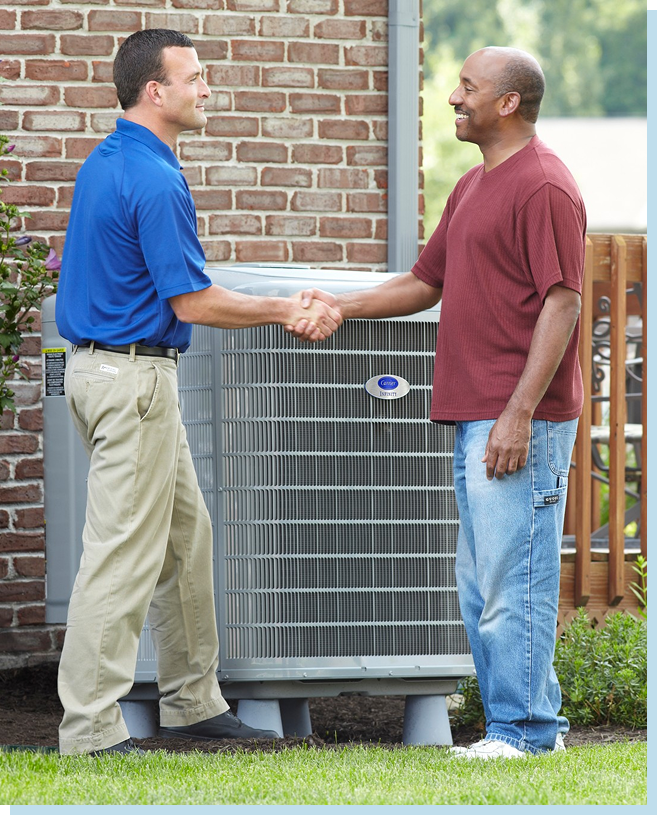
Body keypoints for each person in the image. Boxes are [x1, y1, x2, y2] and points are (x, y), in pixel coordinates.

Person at [291, 46, 586, 758]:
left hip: (519, 417)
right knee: (482, 583)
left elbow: (563, 300)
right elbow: (425, 282)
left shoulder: (542, 184)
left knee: (512, 576)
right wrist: (341, 305)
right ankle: (522, 724)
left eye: (466, 87)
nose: (453, 98)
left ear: (507, 102)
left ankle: (521, 732)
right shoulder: (473, 186)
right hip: (473, 412)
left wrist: (518, 411)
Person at [55, 28, 341, 756]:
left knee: (186, 542)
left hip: (112, 373)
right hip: (134, 380)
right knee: (123, 554)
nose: (207, 88)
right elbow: (193, 302)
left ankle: (192, 703)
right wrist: (285, 308)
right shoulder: (153, 176)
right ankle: (88, 728)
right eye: (196, 77)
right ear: (157, 90)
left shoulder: (111, 160)